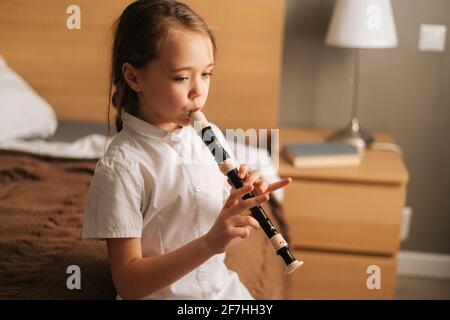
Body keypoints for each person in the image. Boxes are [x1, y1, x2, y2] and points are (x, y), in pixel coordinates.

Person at [82, 0, 292, 300]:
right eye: (182, 77)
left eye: (206, 74)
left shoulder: (209, 137)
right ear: (133, 77)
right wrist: (209, 243)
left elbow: (216, 223)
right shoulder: (122, 166)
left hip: (223, 291)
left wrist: (240, 203)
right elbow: (128, 283)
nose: (198, 91)